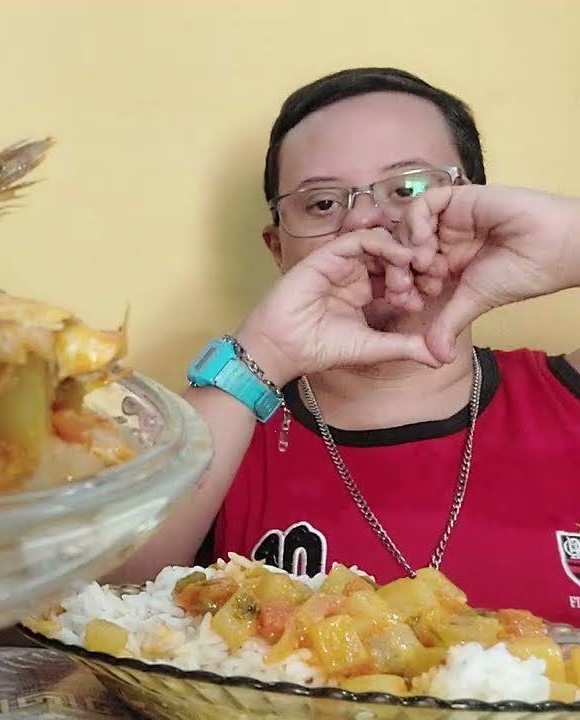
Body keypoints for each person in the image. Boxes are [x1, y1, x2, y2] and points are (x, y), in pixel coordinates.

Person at [117, 67, 580, 623]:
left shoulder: (565, 397)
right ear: (278, 249)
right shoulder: (221, 430)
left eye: (409, 187)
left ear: (482, 207)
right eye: (321, 204)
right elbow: (89, 602)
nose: (364, 219)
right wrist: (262, 354)